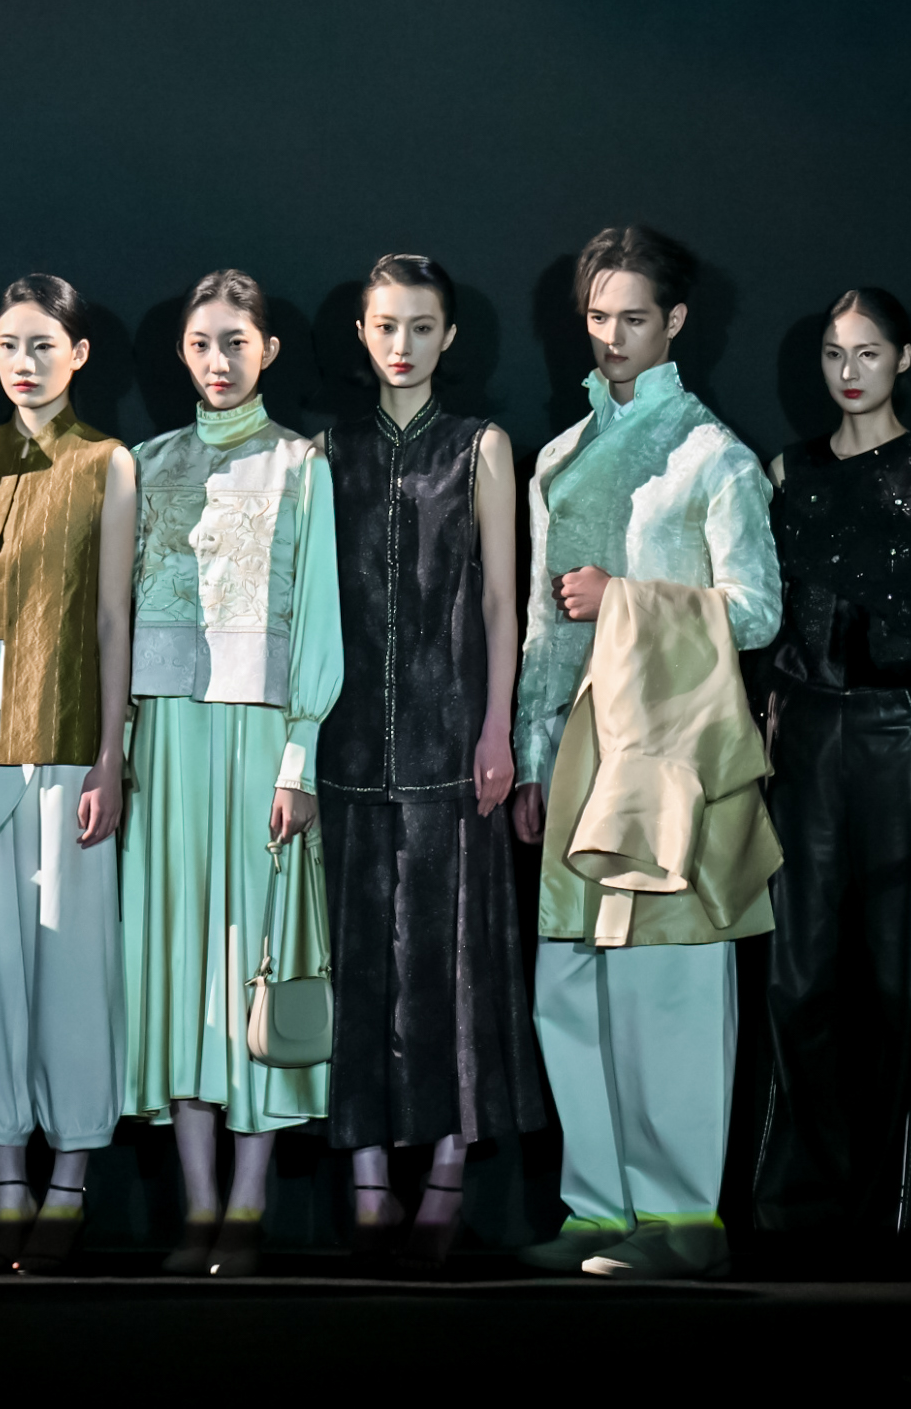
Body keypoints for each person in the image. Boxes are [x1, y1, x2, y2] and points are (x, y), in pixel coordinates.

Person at [512, 223, 780, 1281]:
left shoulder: (715, 456)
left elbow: (756, 611)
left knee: (672, 981)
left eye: (634, 316)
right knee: (571, 980)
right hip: (579, 742)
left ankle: (682, 1218)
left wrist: (624, 598)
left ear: (675, 320)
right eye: (598, 316)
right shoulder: (558, 458)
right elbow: (543, 625)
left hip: (671, 750)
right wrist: (532, 753)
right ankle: (597, 1210)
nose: (614, 336)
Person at [117, 270, 339, 1277]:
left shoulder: (303, 463)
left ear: (268, 351)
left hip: (259, 741)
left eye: (236, 342)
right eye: (203, 342)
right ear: (182, 351)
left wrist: (300, 760)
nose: (219, 359)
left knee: (251, 955)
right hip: (165, 739)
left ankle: (249, 1204)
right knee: (177, 964)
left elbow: (320, 621)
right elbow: (116, 620)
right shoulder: (145, 463)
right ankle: (198, 1203)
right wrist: (119, 748)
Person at [0, 272, 135, 1270]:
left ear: (79, 354)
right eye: (9, 343)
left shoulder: (108, 462)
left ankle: (69, 1180)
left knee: (70, 965)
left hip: (66, 739)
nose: (24, 361)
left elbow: (113, 618)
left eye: (43, 343)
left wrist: (111, 755)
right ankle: (7, 1183)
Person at [320, 254, 531, 1268]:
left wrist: (498, 727)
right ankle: (368, 1179)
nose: (400, 344)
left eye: (419, 326)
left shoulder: (479, 444)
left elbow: (500, 598)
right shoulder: (327, 450)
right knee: (357, 955)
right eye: (384, 325)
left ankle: (447, 1169)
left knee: (454, 958)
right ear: (362, 333)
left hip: (453, 740)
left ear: (449, 335)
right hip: (347, 740)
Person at [755, 283, 911, 1252]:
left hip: (903, 730)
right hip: (803, 730)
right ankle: (801, 1205)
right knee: (798, 974)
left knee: (908, 978)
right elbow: (774, 607)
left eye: (868, 353)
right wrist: (769, 713)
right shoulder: (791, 469)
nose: (849, 371)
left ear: (904, 360)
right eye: (835, 354)